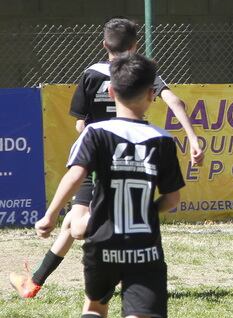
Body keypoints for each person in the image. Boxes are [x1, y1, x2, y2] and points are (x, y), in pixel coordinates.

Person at [9, 17, 202, 299]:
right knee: (71, 224)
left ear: (104, 44)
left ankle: (39, 279)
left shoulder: (92, 74)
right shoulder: (141, 74)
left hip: (98, 156)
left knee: (77, 225)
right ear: (136, 45)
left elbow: (80, 124)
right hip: (132, 154)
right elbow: (175, 101)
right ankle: (35, 282)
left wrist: (91, 138)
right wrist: (193, 137)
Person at [34, 53, 184, 318]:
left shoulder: (96, 133)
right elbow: (173, 198)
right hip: (145, 247)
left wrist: (50, 215)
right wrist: (148, 211)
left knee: (94, 306)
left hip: (103, 243)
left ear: (111, 92)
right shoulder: (163, 140)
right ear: (152, 95)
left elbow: (75, 176)